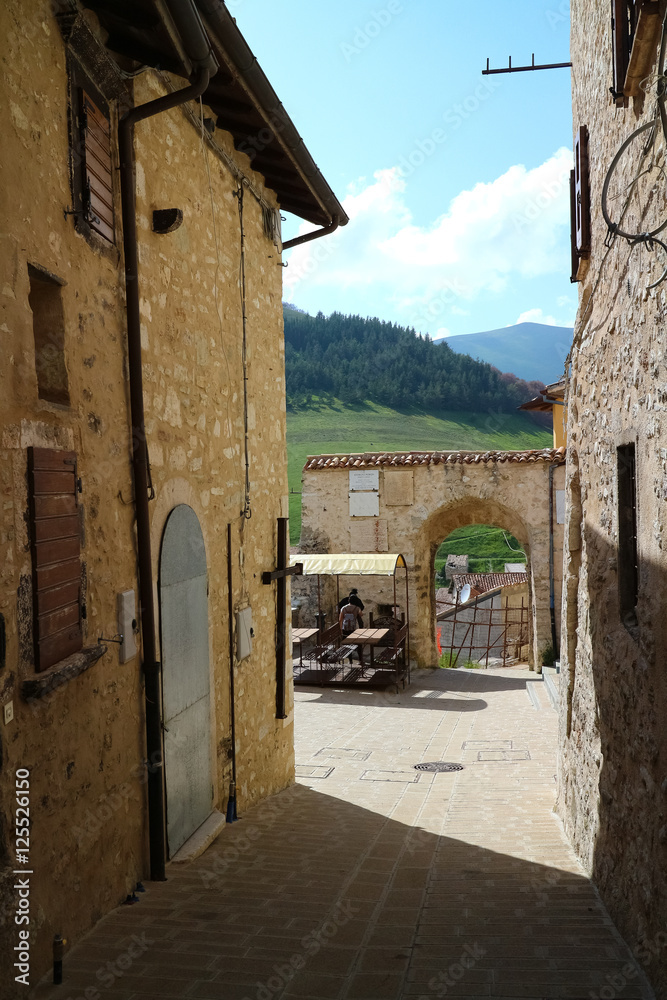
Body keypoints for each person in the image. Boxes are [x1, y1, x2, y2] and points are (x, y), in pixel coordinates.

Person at [338, 598, 364, 666]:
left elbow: (340, 619)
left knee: (347, 645)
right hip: (353, 629)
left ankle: (350, 661)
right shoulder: (357, 608)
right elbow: (361, 614)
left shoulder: (343, 608)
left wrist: (340, 629)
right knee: (358, 644)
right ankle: (360, 660)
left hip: (345, 629)